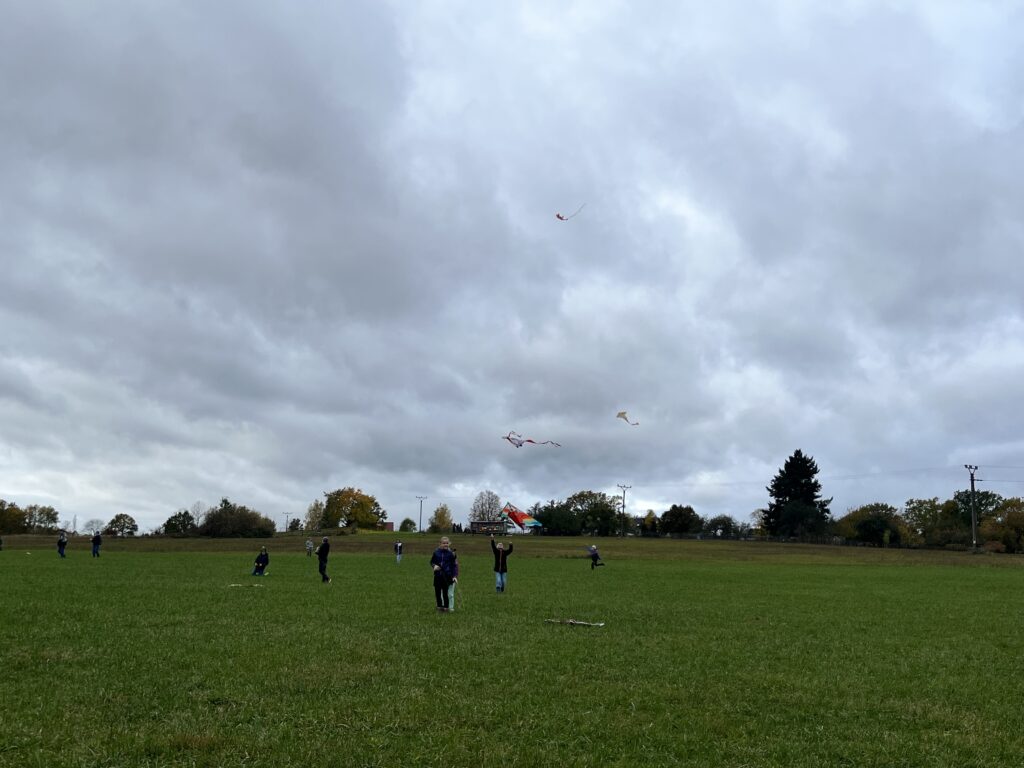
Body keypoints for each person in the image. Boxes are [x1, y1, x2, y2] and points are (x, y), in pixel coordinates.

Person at [430, 536, 457, 612]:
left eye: (447, 543)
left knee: (445, 593)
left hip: (446, 576)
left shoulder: (450, 554)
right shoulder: (436, 552)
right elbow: (432, 562)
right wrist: (434, 566)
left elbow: (453, 565)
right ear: (440, 544)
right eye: (444, 543)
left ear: (449, 544)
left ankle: (446, 607)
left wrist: (454, 576)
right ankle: (439, 607)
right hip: (437, 575)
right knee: (437, 592)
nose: (445, 544)